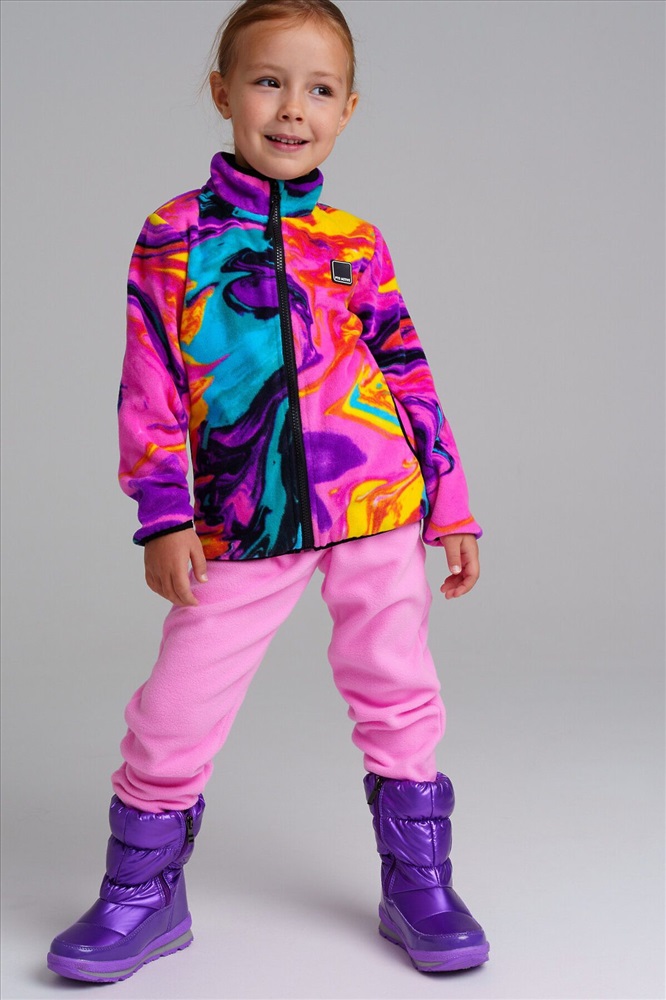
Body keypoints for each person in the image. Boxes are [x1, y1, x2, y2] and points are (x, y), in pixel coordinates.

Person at [47, 0, 489, 983]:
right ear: (223, 93)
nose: (293, 108)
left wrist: (449, 501)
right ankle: (141, 891)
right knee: (175, 706)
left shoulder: (355, 241)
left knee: (398, 689)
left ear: (348, 109)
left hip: (377, 502)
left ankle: (419, 882)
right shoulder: (173, 235)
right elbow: (150, 384)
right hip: (241, 516)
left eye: (320, 90)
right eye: (268, 81)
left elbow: (406, 370)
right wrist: (163, 515)